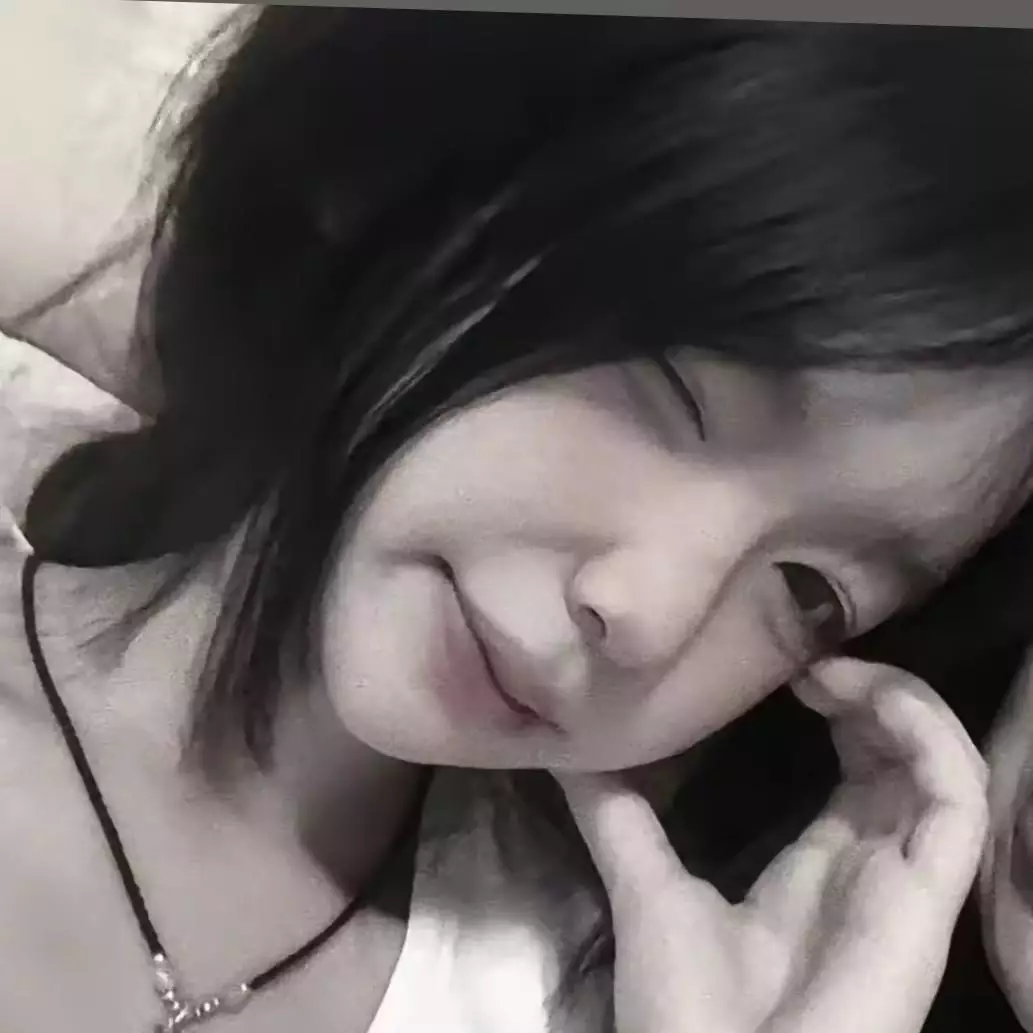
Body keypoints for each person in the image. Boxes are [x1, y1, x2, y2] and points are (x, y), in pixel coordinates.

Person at [4, 8, 1033, 1032]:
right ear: (456, 177)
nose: (647, 612)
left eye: (811, 592)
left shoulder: (607, 991)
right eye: (676, 385)